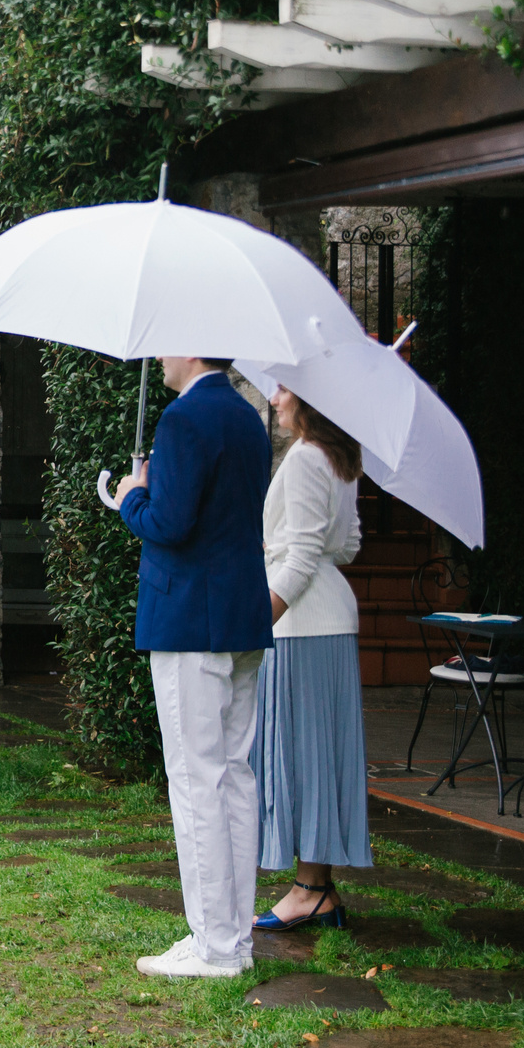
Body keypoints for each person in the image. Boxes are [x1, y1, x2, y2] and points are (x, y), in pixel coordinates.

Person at [114, 356, 273, 980]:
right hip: (238, 612)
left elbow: (169, 524)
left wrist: (132, 497)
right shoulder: (246, 416)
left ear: (190, 347)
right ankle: (232, 939)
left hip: (187, 618)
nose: (157, 355)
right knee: (234, 773)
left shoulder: (184, 419)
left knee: (196, 777)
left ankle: (213, 946)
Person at [252, 387, 371, 929]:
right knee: (319, 755)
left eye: (283, 388)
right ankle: (317, 886)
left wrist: (254, 624)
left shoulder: (304, 458)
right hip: (331, 620)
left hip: (300, 626)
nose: (275, 398)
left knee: (301, 757)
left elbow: (300, 560)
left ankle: (307, 889)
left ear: (310, 399)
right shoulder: (341, 456)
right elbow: (346, 547)